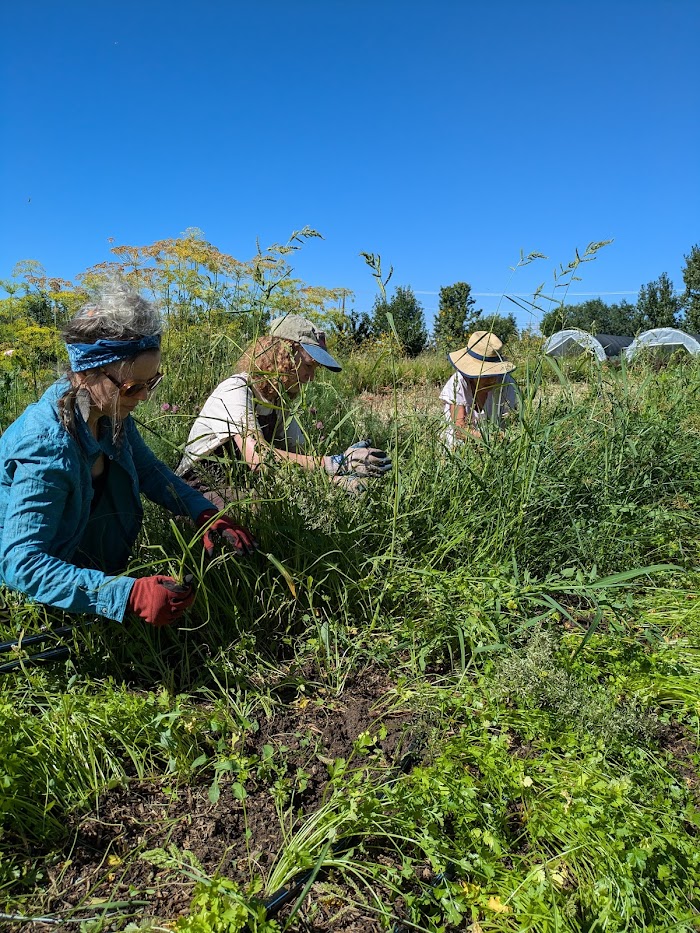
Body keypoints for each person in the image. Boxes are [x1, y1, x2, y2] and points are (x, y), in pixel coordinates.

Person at [0, 280, 256, 629]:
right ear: (86, 372)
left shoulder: (106, 410)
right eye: (133, 386)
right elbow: (22, 564)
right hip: (36, 594)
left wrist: (204, 513)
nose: (144, 397)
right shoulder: (46, 446)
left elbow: (149, 471)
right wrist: (125, 594)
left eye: (152, 383)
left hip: (86, 562)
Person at [176, 314, 391, 504]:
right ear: (284, 353)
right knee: (258, 507)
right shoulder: (237, 390)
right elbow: (259, 458)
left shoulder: (278, 406)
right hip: (196, 491)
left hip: (237, 487)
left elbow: (297, 458)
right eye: (308, 366)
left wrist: (334, 482)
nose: (311, 378)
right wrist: (338, 463)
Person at [439, 330, 517, 446]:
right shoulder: (458, 383)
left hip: (497, 445)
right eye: (485, 375)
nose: (491, 380)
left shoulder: (507, 383)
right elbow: (459, 429)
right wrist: (488, 438)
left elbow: (511, 421)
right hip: (460, 444)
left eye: (493, 374)